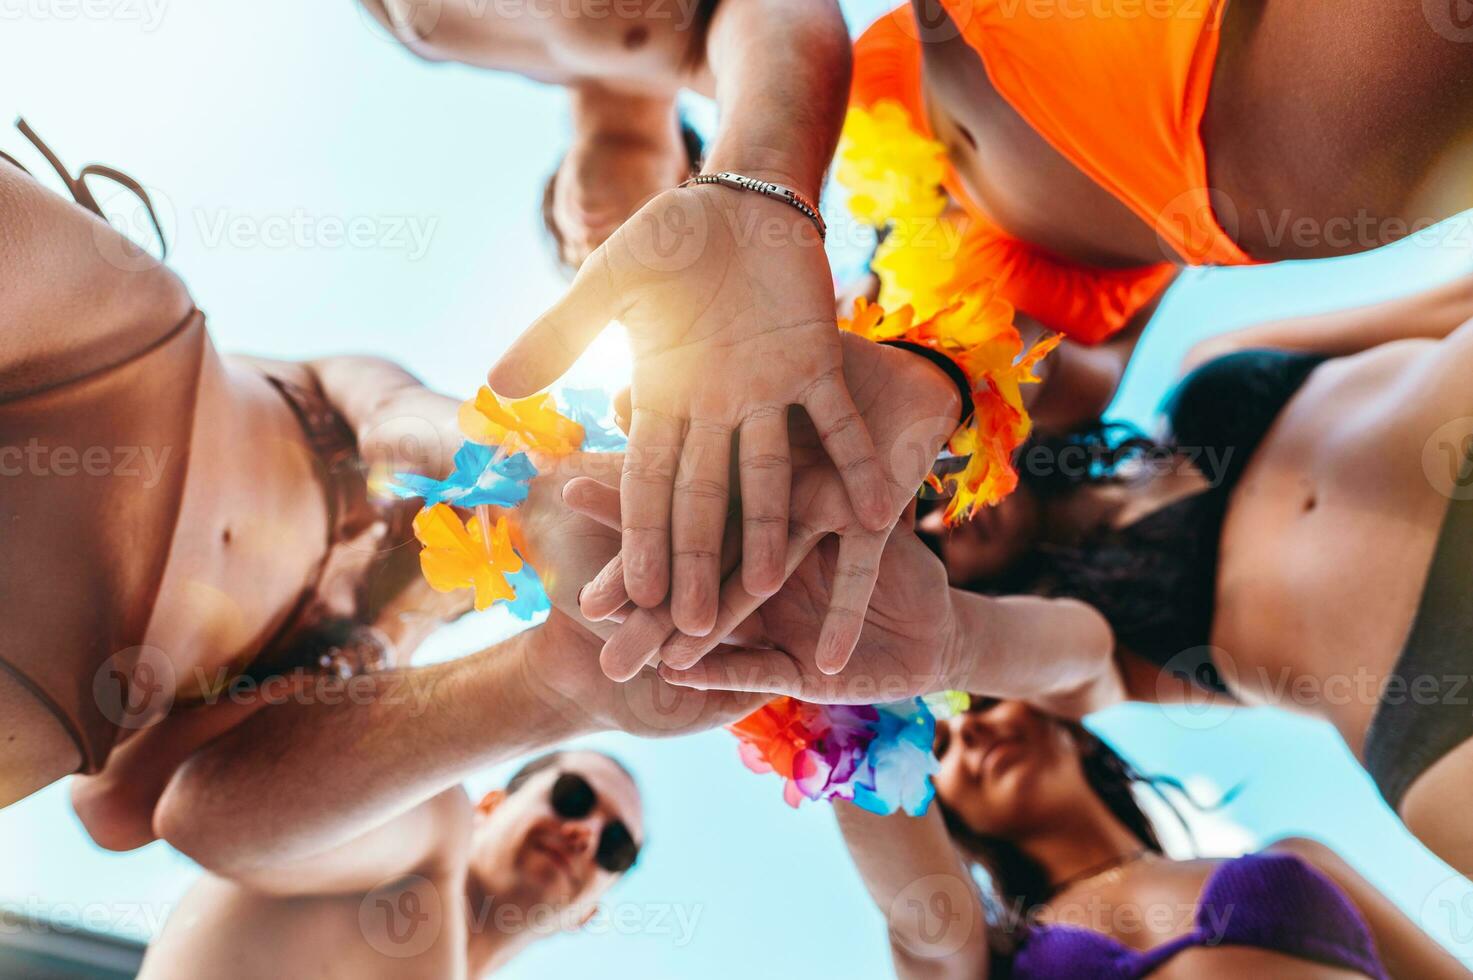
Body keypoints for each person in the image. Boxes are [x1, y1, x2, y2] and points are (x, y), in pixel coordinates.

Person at [359, 0, 907, 647]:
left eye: (581, 257)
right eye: (625, 248)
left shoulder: (428, 35)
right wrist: (758, 180)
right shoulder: (705, 46)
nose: (595, 241)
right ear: (689, 183)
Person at [0, 121, 475, 827]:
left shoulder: (361, 659)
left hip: (61, 673)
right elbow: (407, 417)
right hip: (109, 367)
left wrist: (394, 634)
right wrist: (510, 461)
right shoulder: (388, 404)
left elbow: (117, 810)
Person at [836, 698, 1470, 979]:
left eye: (987, 702)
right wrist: (839, 686)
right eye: (938, 747)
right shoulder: (982, 959)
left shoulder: (1298, 859)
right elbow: (908, 901)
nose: (972, 732)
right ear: (937, 808)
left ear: (1071, 727)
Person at [139, 748, 646, 977]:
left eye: (615, 848)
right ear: (488, 806)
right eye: (572, 796)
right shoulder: (426, 823)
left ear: (589, 914)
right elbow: (211, 822)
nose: (586, 833)